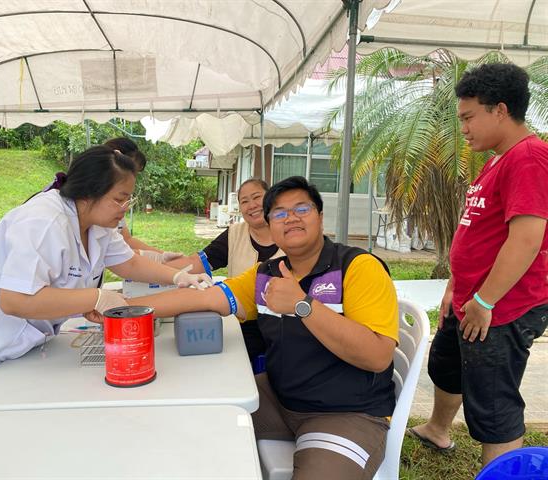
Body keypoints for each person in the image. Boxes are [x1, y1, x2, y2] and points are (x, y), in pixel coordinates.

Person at [0, 145, 211, 422]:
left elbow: (128, 262)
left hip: (15, 342)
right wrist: (93, 299)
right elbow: (14, 299)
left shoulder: (96, 224)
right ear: (88, 193)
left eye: (128, 198)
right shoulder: (44, 222)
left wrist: (177, 276)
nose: (124, 208)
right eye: (119, 198)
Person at [127, 176, 399, 479]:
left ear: (321, 217)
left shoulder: (358, 267)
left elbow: (377, 356)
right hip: (278, 399)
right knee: (190, 420)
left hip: (346, 413)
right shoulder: (265, 274)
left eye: (301, 208)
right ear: (270, 226)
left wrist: (303, 305)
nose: (291, 217)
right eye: (280, 213)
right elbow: (206, 296)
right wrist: (124, 308)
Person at [408, 63, 548, 467]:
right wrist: (457, 286)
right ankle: (437, 429)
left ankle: (503, 474)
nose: (463, 128)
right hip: (472, 298)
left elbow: (527, 239)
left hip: (502, 308)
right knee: (448, 367)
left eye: (469, 117)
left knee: (492, 400)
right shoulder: (497, 159)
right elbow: (479, 232)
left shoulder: (530, 158)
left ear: (500, 110)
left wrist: (485, 302)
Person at [166, 178, 285, 363]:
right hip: (243, 327)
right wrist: (153, 269)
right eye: (244, 201)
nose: (252, 205)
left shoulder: (291, 233)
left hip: (285, 328)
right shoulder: (234, 234)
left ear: (271, 198)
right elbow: (196, 262)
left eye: (257, 197)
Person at [103, 136, 182, 263]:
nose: (132, 178)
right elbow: (116, 254)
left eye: (135, 173)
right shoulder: (65, 221)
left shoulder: (114, 207)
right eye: (129, 170)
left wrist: (161, 256)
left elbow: (123, 244)